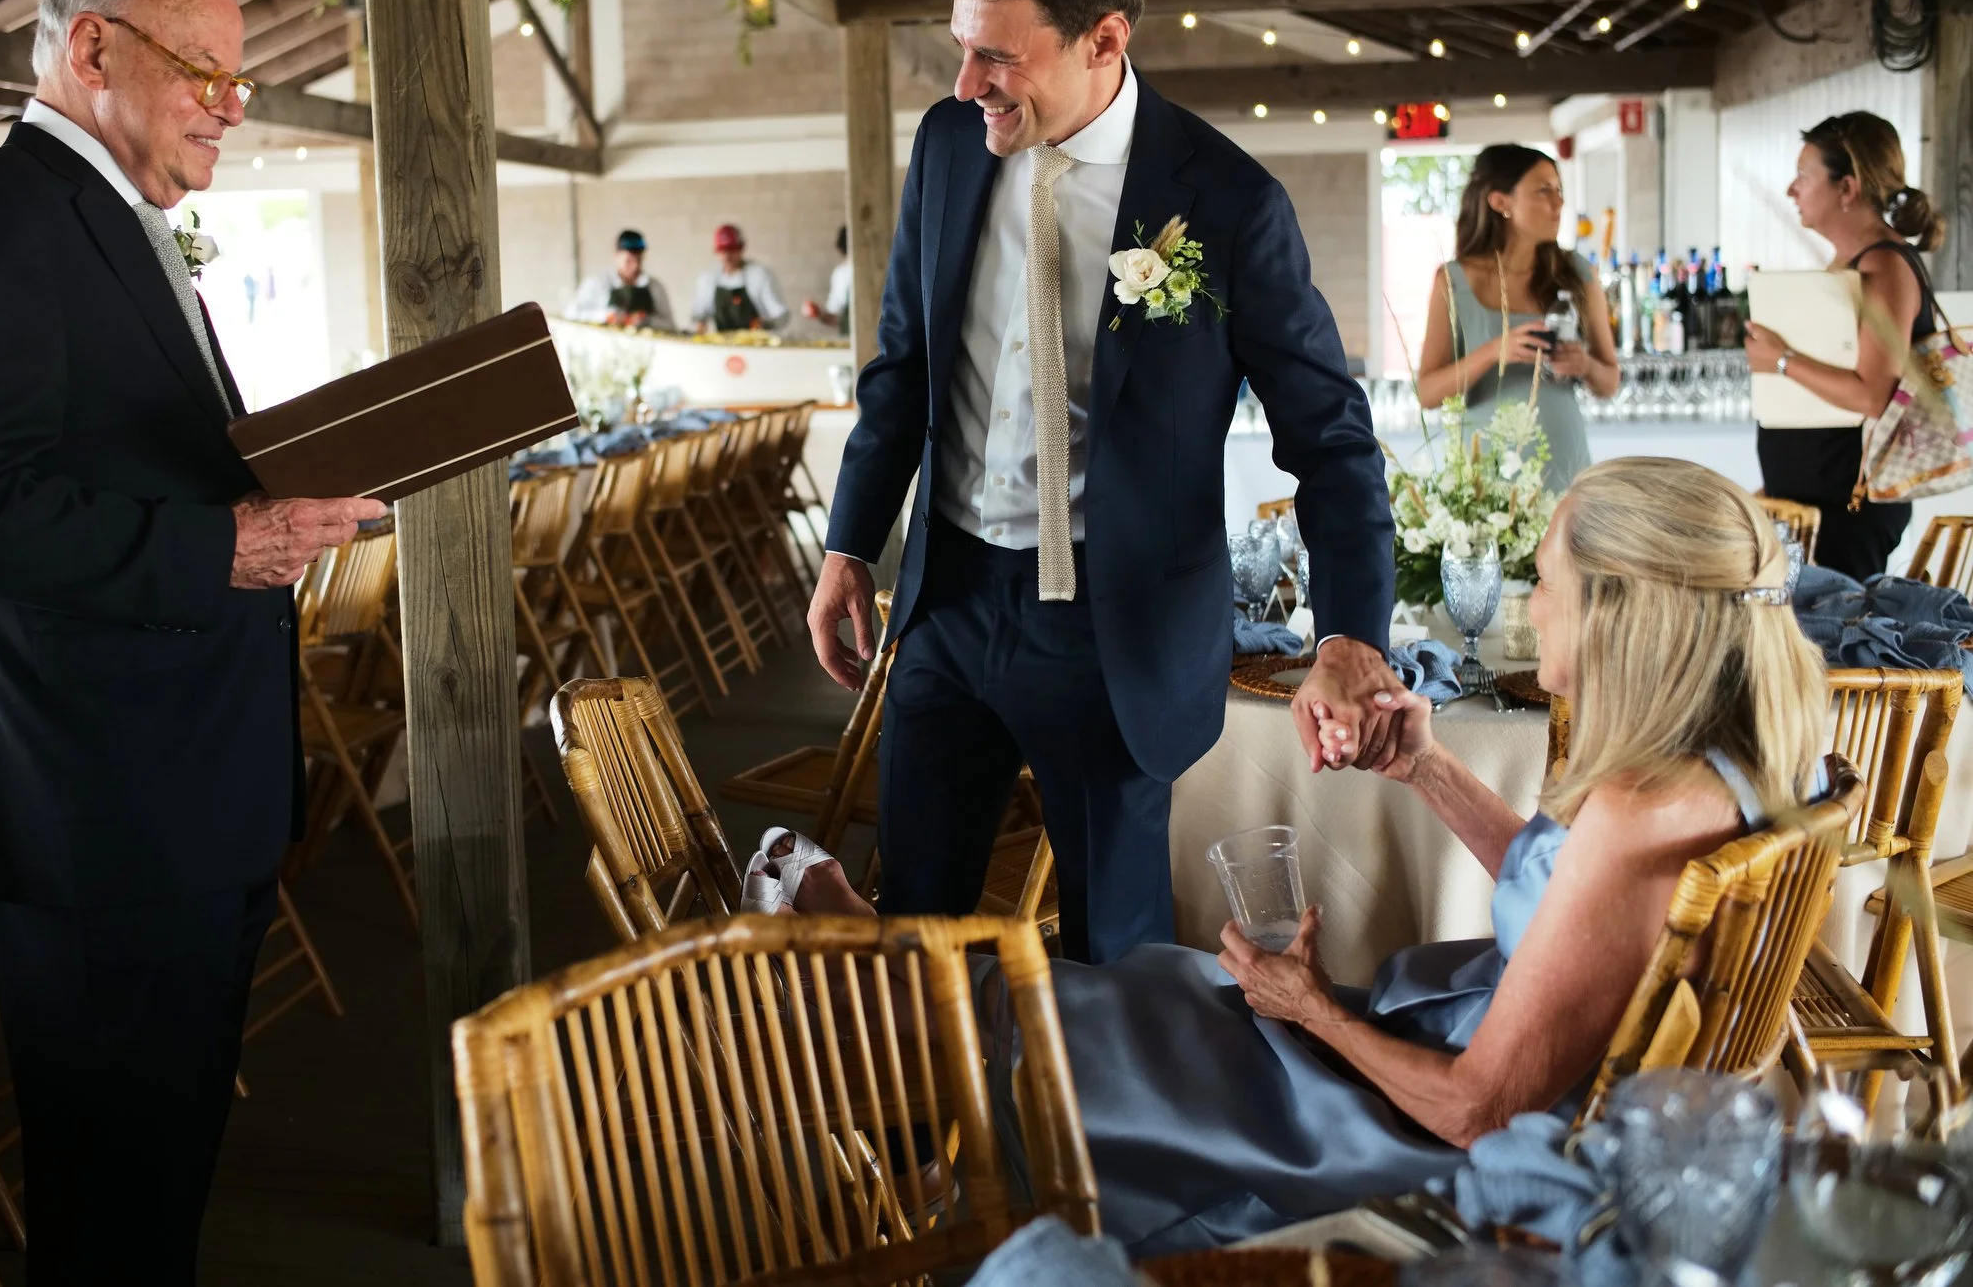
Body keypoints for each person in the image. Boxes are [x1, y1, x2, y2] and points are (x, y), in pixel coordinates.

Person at [768, 457, 1831, 1254]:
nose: (1529, 597)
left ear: (1614, 610)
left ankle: (854, 1032)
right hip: (1456, 1056)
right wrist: (1426, 768)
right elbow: (1576, 903)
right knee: (1152, 993)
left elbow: (1478, 1109)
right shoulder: (1733, 768)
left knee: (1103, 1034)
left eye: (1542, 577)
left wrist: (1310, 1006)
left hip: (1423, 1133)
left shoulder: (1634, 811)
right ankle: (885, 1004)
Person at [0, 0, 384, 1285]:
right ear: (93, 47)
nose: (232, 103)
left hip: (171, 792)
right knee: (111, 1209)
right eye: (205, 69)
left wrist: (291, 488)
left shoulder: (118, 216)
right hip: (93, 801)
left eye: (239, 77)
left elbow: (122, 460)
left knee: (157, 1188)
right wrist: (224, 547)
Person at [807, 0, 1405, 966]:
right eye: (959, 48)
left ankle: (1097, 1137)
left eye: (995, 56)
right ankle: (935, 1136)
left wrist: (1349, 634)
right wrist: (849, 540)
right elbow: (901, 364)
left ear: (1105, 39)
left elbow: (1331, 437)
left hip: (1109, 631)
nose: (963, 84)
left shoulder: (1227, 202)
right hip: (945, 605)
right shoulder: (949, 147)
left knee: (1111, 955)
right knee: (917, 927)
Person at [1745, 111, 1945, 579]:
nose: (1791, 190)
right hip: (1818, 506)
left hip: (1847, 511)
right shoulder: (1851, 263)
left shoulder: (1886, 266)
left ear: (1847, 188)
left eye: (1803, 176)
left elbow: (1872, 393)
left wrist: (1779, 358)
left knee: (1825, 649)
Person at [1414, 145, 1620, 491]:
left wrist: (1584, 364)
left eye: (1560, 191)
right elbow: (1428, 393)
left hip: (1564, 460)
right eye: (1544, 191)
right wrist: (1495, 351)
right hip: (1485, 469)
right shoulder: (1453, 281)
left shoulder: (1578, 273)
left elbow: (1610, 381)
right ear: (1501, 202)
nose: (1559, 203)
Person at [567, 227, 678, 330]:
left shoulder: (655, 287)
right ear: (616, 255)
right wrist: (606, 316)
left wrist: (647, 320)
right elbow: (571, 315)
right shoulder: (597, 284)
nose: (634, 266)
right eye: (628, 261)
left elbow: (671, 325)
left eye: (638, 260)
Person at [693, 223, 790, 331]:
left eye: (732, 250)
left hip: (756, 344)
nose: (727, 256)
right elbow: (699, 314)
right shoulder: (708, 278)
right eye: (723, 250)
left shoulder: (759, 275)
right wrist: (700, 323)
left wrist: (766, 324)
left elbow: (782, 315)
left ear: (741, 248)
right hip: (722, 345)